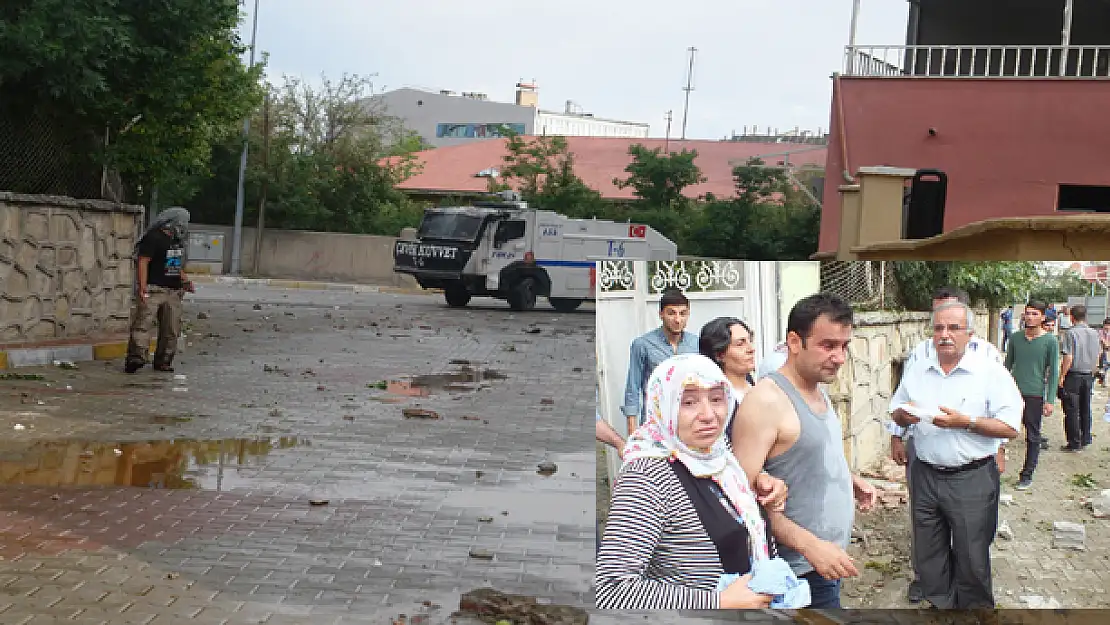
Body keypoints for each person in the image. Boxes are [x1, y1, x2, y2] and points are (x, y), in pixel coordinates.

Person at [595, 354, 789, 610]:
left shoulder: (718, 455)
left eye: (717, 399)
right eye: (688, 402)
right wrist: (718, 601)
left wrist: (760, 491)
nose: (708, 415)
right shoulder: (647, 477)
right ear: (662, 405)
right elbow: (611, 590)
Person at [731, 293, 877, 609]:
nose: (839, 357)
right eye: (828, 345)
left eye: (844, 346)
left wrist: (849, 479)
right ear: (795, 342)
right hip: (797, 573)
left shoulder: (816, 386)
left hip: (824, 561)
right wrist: (810, 546)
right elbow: (738, 498)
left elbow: (802, 454)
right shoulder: (766, 402)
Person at [889, 300, 1022, 609]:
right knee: (929, 552)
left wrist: (966, 422)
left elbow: (1009, 427)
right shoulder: (918, 370)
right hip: (925, 474)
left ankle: (975, 611)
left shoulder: (990, 373)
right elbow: (897, 409)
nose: (945, 335)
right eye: (938, 328)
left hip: (971, 478)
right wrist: (902, 419)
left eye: (953, 328)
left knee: (971, 554)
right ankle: (941, 605)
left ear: (970, 334)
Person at [125, 207, 195, 374]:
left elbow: (174, 265)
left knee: (171, 328)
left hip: (173, 291)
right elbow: (143, 261)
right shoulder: (153, 237)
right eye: (183, 221)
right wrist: (142, 288)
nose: (184, 225)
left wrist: (186, 282)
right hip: (153, 288)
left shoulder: (176, 241)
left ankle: (164, 360)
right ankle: (136, 357)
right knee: (143, 324)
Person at [621, 288, 699, 435]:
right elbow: (633, 387)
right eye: (671, 313)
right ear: (661, 314)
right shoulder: (642, 344)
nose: (677, 319)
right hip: (655, 422)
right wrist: (632, 432)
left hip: (688, 421)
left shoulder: (696, 344)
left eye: (683, 313)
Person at [1003, 300, 1059, 491]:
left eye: (1035, 314)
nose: (1030, 317)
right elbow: (1006, 367)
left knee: (1033, 436)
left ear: (1043, 317)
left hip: (1035, 394)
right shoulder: (1016, 338)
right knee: (1001, 430)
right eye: (1028, 313)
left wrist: (1050, 399)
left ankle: (1027, 474)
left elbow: (1053, 372)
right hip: (1013, 393)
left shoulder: (1050, 341)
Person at [699, 317, 758, 449]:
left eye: (750, 341)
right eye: (740, 344)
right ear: (719, 354)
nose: (751, 349)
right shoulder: (713, 400)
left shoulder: (758, 388)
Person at [1059, 304, 1101, 451]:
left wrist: (1062, 376)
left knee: (1071, 409)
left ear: (1071, 317)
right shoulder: (1095, 333)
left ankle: (1074, 441)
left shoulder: (1071, 333)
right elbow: (1098, 355)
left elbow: (1068, 357)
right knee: (1085, 407)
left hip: (1074, 375)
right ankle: (1086, 437)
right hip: (1088, 375)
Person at [1098, 317, 1110, 387]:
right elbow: (1101, 340)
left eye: (1108, 325)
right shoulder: (1100, 332)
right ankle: (1103, 379)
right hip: (1102, 351)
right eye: (1106, 325)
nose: (1107, 326)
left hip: (1108, 351)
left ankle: (1103, 378)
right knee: (1104, 365)